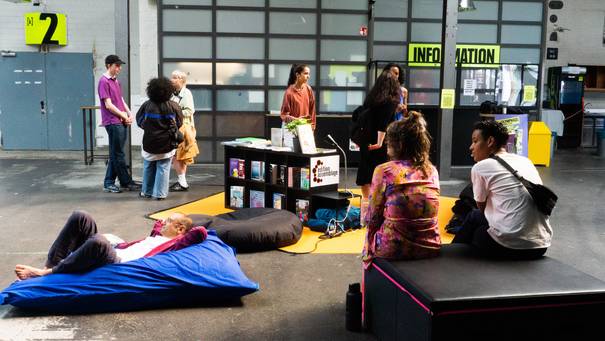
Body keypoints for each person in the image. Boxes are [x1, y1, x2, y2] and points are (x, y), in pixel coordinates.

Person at [452, 120, 553, 259]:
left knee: (476, 224)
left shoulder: (481, 167)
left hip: (508, 246)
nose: (471, 147)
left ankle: (450, 256)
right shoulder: (525, 161)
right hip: (540, 246)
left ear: (490, 141)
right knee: (477, 219)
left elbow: (481, 209)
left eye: (475, 141)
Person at [14, 210, 206, 280]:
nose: (162, 222)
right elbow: (157, 227)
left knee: (98, 242)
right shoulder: (158, 235)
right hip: (117, 249)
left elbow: (200, 233)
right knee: (81, 217)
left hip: (118, 262)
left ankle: (45, 273)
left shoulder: (175, 243)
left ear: (180, 229)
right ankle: (49, 266)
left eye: (168, 221)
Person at [362, 112, 441, 266]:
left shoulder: (384, 171)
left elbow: (372, 218)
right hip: (431, 245)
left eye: (389, 141)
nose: (386, 144)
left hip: (392, 247)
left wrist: (367, 248)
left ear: (398, 144)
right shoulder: (431, 170)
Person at [356, 72, 400, 223]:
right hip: (378, 143)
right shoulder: (391, 100)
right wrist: (380, 142)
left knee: (365, 172)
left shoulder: (372, 97)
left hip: (365, 138)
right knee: (380, 173)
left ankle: (366, 208)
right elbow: (383, 124)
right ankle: (377, 209)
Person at [98, 54, 141, 194]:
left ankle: (111, 182)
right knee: (118, 154)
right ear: (108, 65)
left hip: (120, 120)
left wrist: (129, 113)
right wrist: (124, 116)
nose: (119, 68)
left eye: (119, 66)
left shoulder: (116, 81)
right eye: (116, 66)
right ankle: (124, 181)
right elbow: (108, 105)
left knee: (115, 153)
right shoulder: (103, 81)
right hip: (112, 121)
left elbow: (120, 100)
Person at [136, 77, 183, 200]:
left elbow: (139, 121)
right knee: (163, 167)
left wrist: (150, 128)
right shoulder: (174, 106)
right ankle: (160, 194)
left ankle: (146, 192)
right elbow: (179, 123)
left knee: (148, 166)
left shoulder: (146, 105)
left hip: (149, 142)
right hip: (166, 144)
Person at [169, 70, 199, 192]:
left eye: (176, 77)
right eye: (172, 77)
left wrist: (176, 112)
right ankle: (182, 181)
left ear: (182, 80)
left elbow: (190, 111)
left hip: (183, 128)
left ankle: (182, 182)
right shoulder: (172, 94)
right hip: (175, 128)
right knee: (178, 156)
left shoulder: (186, 93)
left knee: (180, 156)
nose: (173, 80)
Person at [280, 64, 317, 130]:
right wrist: (297, 120)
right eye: (305, 73)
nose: (308, 76)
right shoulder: (289, 92)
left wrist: (312, 126)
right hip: (293, 130)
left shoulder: (308, 89)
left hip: (306, 129)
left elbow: (312, 110)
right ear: (298, 75)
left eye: (309, 74)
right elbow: (284, 115)